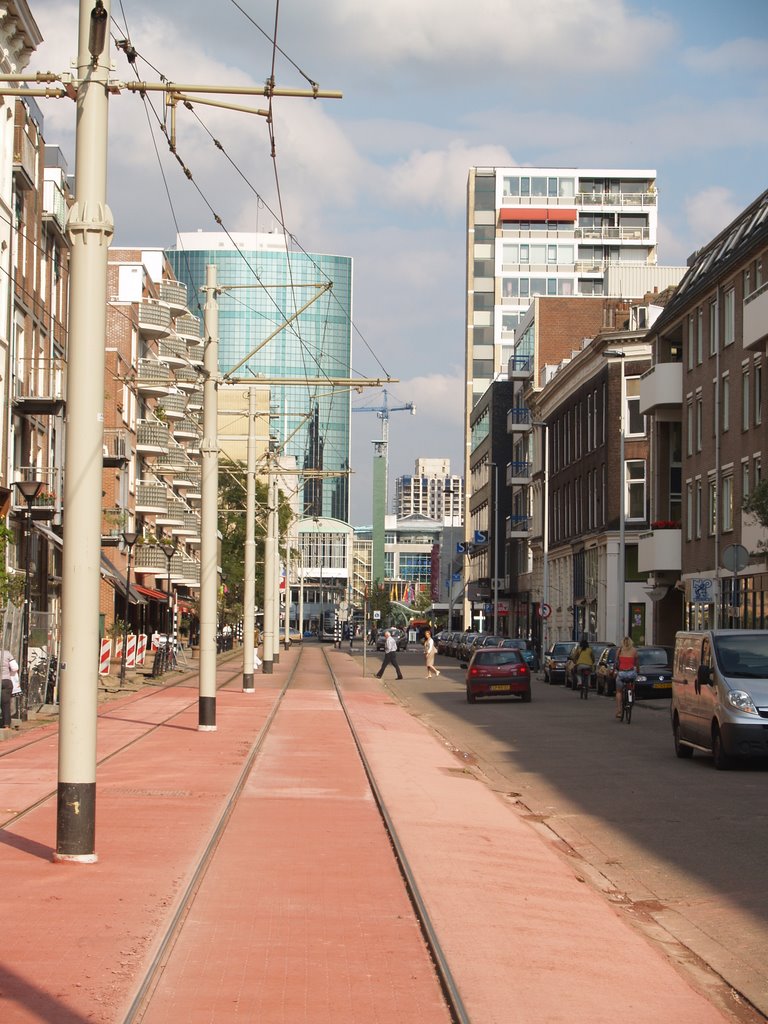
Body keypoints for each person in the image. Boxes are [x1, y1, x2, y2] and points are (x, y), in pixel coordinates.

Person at [615, 636, 639, 718]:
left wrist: (616, 670)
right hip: (631, 673)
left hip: (621, 673)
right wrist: (638, 671)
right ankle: (632, 693)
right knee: (633, 682)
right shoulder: (634, 651)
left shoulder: (619, 650)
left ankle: (619, 711)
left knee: (619, 691)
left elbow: (616, 663)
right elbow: (637, 663)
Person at [1, 647, 19, 729]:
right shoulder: (7, 653)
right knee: (6, 703)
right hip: (6, 680)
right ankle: (6, 725)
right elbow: (15, 667)